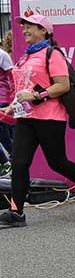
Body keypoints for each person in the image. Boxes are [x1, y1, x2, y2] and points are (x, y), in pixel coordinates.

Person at [0, 13, 75, 227]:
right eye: (24, 26)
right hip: (26, 118)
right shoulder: (25, 56)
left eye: (31, 26)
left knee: (57, 162)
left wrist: (36, 96)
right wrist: (11, 106)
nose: (25, 30)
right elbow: (24, 88)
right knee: (19, 163)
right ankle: (17, 213)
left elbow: (63, 86)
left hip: (50, 118)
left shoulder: (53, 54)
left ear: (44, 31)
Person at [0, 32, 14, 176]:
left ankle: (12, 161)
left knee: (5, 135)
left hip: (2, 100)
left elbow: (12, 78)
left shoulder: (2, 55)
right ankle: (7, 162)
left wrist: (11, 101)